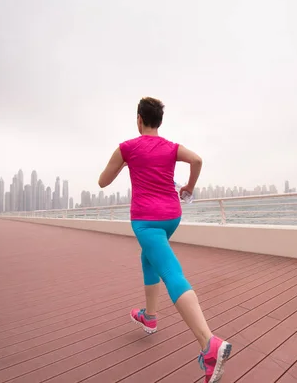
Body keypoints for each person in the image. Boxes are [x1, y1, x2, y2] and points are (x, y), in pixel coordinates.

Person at [98, 97, 231, 383]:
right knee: (148, 257)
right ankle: (150, 316)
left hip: (146, 220)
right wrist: (189, 187)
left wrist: (122, 163)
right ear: (159, 121)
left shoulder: (128, 148)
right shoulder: (171, 147)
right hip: (172, 216)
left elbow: (102, 182)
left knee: (170, 271)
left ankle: (209, 345)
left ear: (139, 119)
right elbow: (197, 159)